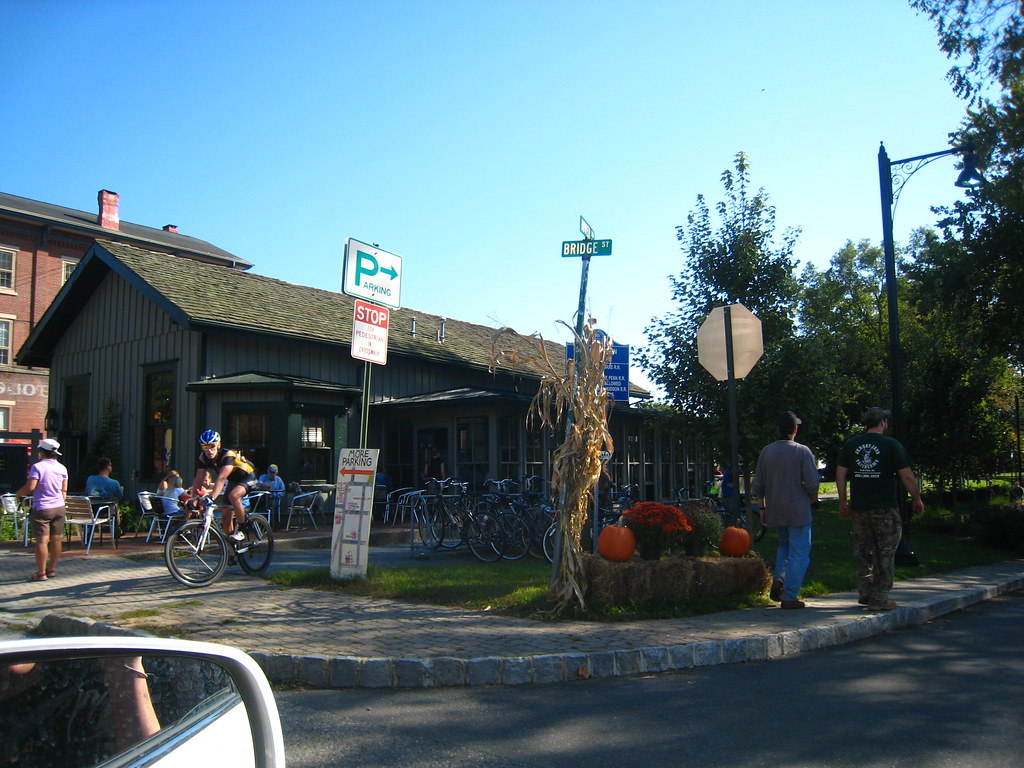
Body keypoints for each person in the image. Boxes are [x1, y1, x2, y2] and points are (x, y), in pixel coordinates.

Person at [836, 406, 925, 611]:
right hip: (885, 507)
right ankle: (880, 597)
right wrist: (917, 498)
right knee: (885, 551)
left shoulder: (851, 445)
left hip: (860, 508)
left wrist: (843, 501)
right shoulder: (892, 445)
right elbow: (907, 475)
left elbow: (841, 474)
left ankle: (865, 590)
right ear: (883, 422)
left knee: (863, 550)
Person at [752, 411, 820, 609]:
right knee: (800, 552)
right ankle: (790, 595)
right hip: (798, 510)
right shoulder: (802, 451)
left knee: (784, 546)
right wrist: (813, 499)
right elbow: (811, 483)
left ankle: (779, 579)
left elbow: (759, 484)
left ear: (777, 429)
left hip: (775, 508)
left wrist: (762, 507)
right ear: (795, 430)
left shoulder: (767, 451)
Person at [191, 430, 258, 542]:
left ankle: (243, 528)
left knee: (233, 496)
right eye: (205, 447)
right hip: (233, 481)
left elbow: (222, 478)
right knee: (225, 517)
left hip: (248, 477)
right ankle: (231, 551)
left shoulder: (227, 455)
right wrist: (193, 500)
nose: (209, 451)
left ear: (218, 445)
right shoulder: (203, 458)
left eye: (212, 446)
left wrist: (212, 497)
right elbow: (198, 479)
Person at [16, 438, 68, 581]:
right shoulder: (62, 468)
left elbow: (30, 487)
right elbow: (64, 490)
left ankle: (41, 573)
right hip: (59, 507)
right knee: (56, 539)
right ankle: (51, 569)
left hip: (42, 507)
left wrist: (18, 494)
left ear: (41, 452)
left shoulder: (37, 467)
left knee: (41, 541)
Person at [85, 457, 124, 534]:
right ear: (108, 467)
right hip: (106, 511)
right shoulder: (114, 483)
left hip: (91, 510)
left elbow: (87, 492)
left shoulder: (90, 479)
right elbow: (119, 497)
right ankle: (117, 530)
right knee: (115, 506)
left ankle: (89, 533)